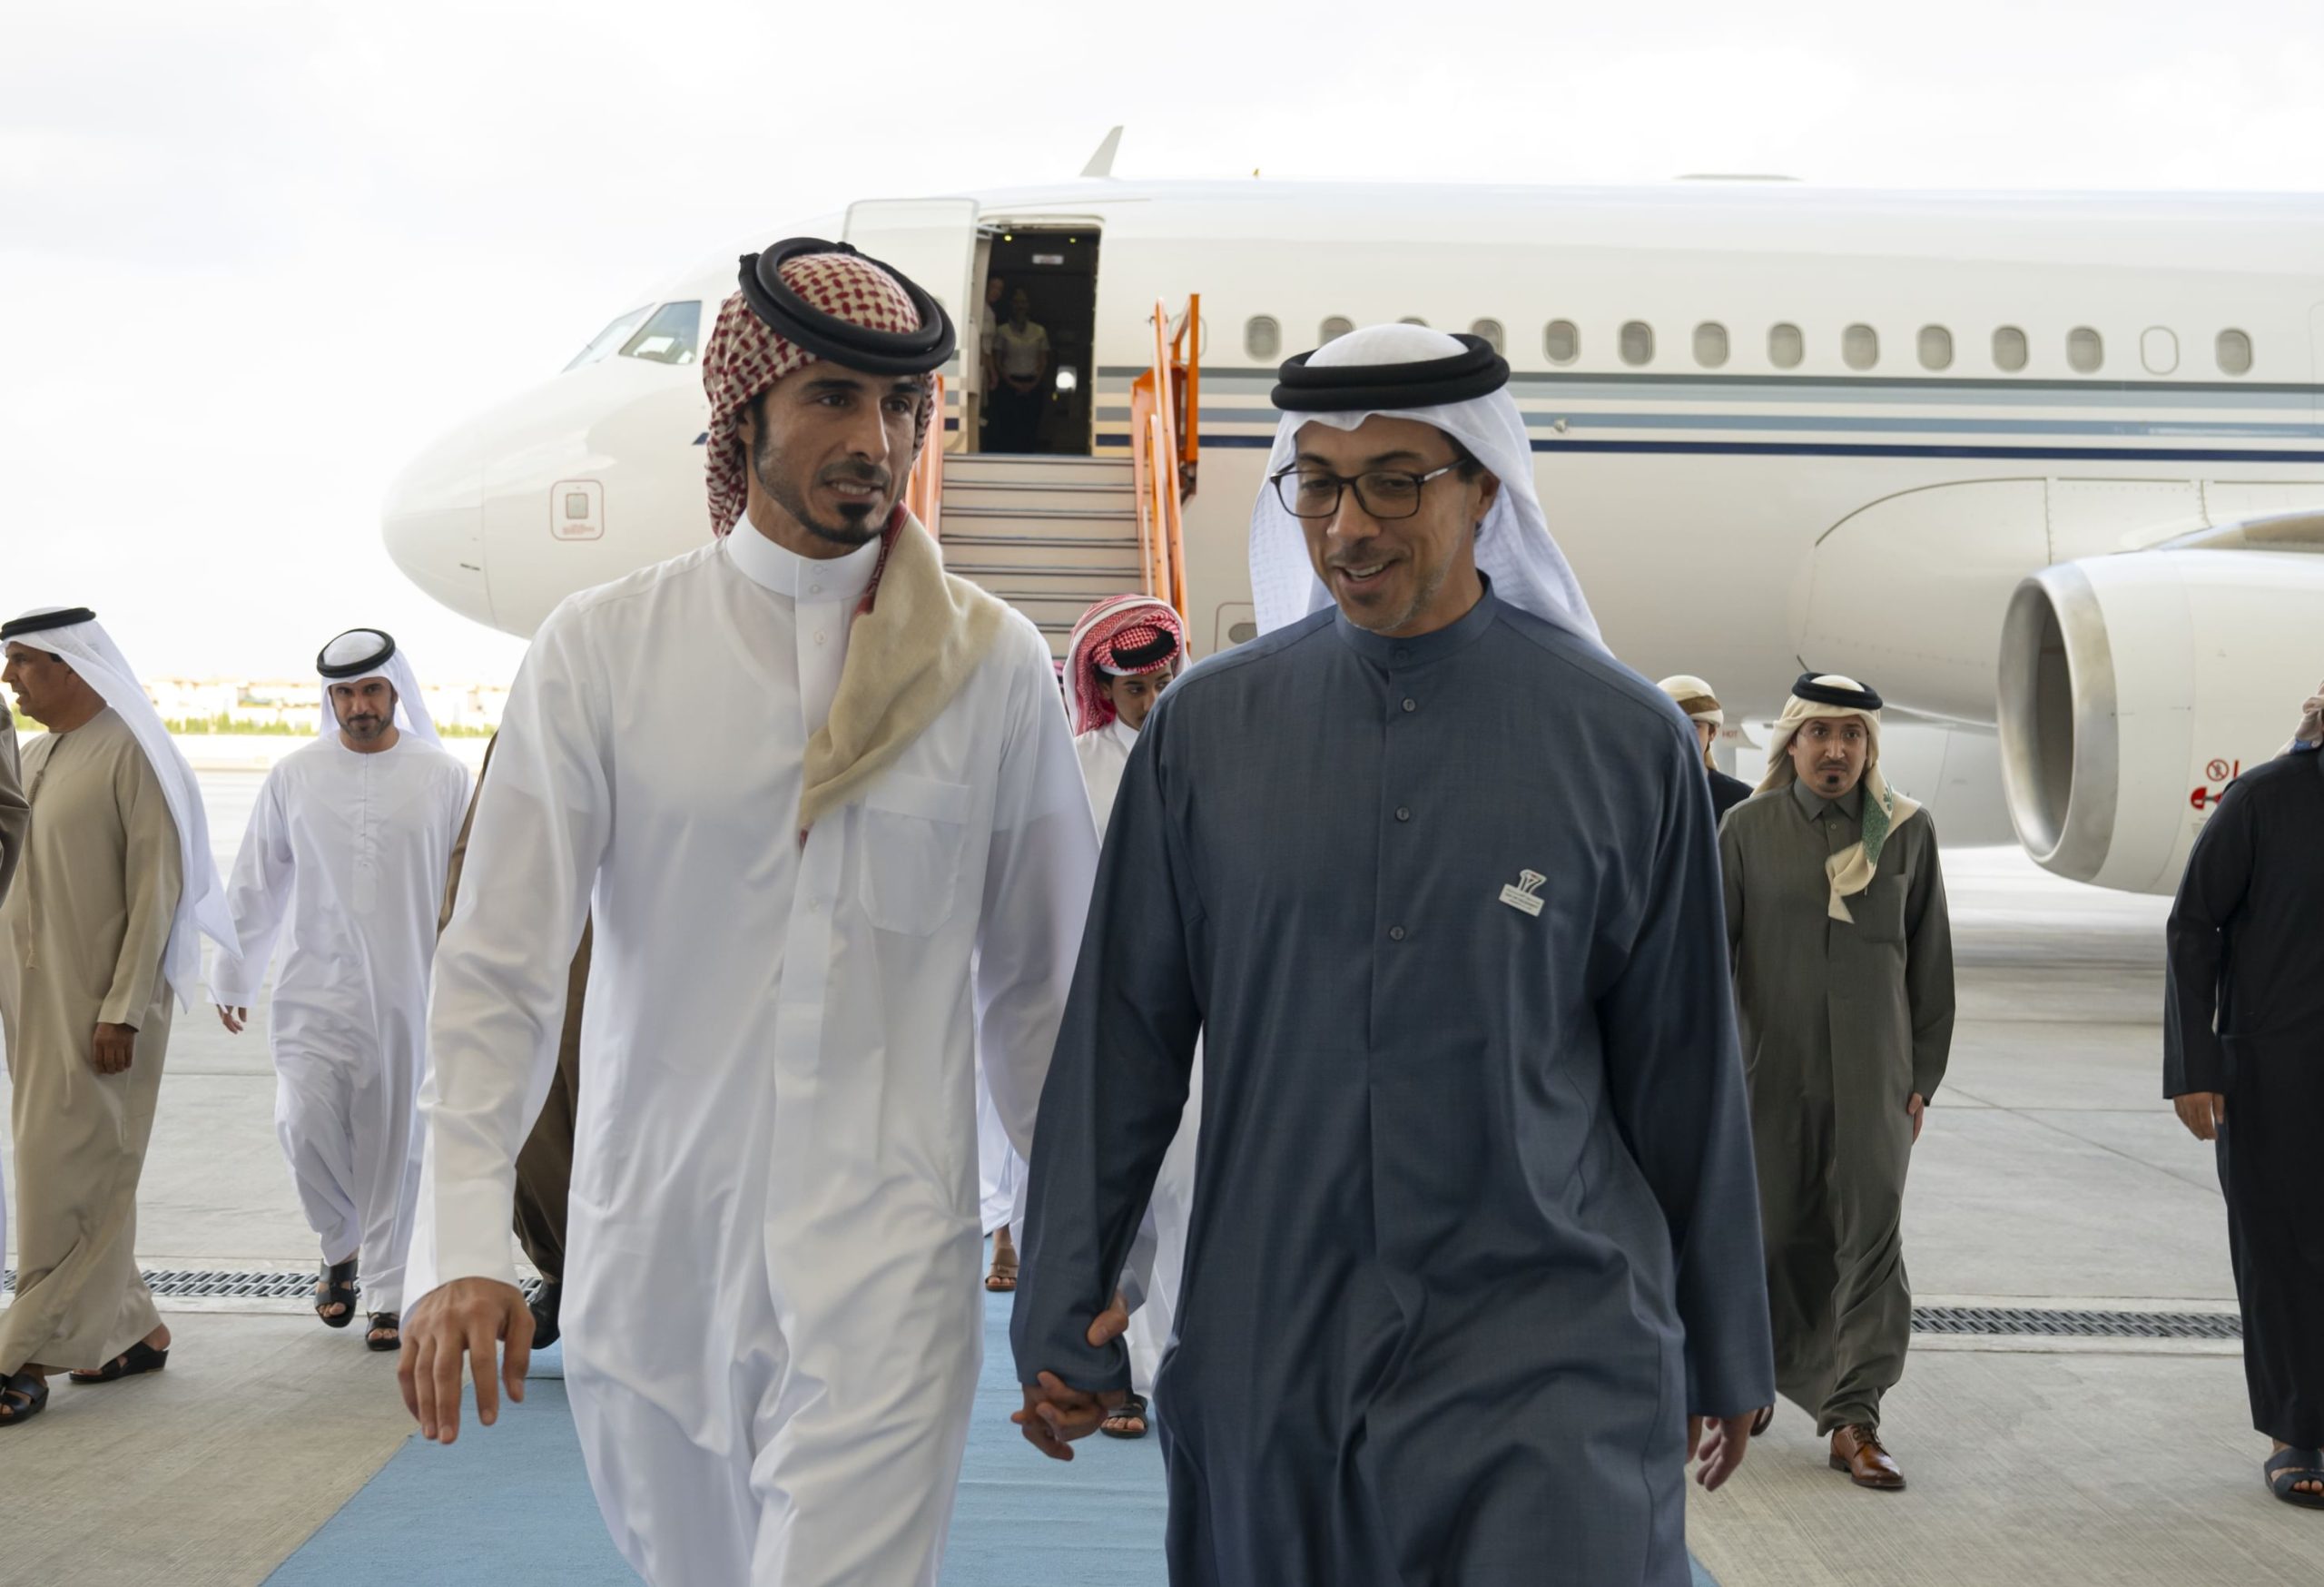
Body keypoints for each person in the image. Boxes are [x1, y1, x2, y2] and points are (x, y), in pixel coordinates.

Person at [1010, 324, 1773, 1584]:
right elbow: (1120, 1046)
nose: (1350, 527)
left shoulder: (1624, 741)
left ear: (1485, 490)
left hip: (1551, 1350)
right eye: (1317, 484)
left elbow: (1685, 1068)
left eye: (1396, 482)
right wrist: (1064, 1297)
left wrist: (1728, 1336)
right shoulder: (1207, 733)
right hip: (1272, 1347)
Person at [397, 240, 1098, 1586]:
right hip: (654, 1265)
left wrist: (1083, 1249)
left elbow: (1041, 995)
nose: (874, 440)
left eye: (901, 406)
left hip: (891, 1270)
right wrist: (464, 1239)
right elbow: (499, 970)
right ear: (744, 412)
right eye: (833, 398)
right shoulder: (602, 651)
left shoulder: (993, 667)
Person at [0, 606, 236, 1428]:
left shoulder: (134, 752)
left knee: (69, 1187)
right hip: (33, 1006)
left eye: (23, 662)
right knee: (67, 1174)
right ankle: (135, 1329)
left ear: (71, 665)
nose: (10, 678)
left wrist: (124, 1011)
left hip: (104, 1015)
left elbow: (157, 891)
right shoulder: (36, 755)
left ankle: (23, 1353)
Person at [1718, 673, 1954, 1490]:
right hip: (1770, 1072)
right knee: (1778, 1235)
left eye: (1853, 736)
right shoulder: (1745, 830)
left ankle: (1855, 1417)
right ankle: (1761, 1371)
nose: (1836, 750)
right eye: (1820, 733)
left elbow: (1930, 963)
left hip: (1877, 1078)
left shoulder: (1906, 831)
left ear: (1869, 749)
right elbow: (1708, 959)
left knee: (1871, 1241)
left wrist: (1922, 1076)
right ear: (1792, 743)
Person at [208, 630, 472, 1353]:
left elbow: (471, 887)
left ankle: (388, 1294)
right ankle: (340, 1246)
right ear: (330, 699)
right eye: (346, 694)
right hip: (311, 988)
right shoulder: (294, 774)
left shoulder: (445, 776)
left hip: (408, 991)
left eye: (371, 691)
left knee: (396, 1145)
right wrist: (234, 972)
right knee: (302, 1126)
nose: (359, 706)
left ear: (395, 691)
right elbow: (257, 879)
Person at [2165, 682, 2324, 1509]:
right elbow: (2194, 925)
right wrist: (2196, 1065)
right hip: (2273, 1069)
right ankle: (2298, 1430)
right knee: (2281, 1250)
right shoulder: (2263, 798)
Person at [1059, 591, 1190, 1440]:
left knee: (1187, 1186)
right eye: (1135, 688)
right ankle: (1118, 1370)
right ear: (1104, 689)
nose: (1153, 700)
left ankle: (1174, 1362)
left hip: (1198, 1009)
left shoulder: (1214, 752)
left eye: (1165, 681)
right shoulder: (1075, 767)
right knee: (1122, 1190)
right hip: (1104, 1007)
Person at [436, 732, 589, 1348]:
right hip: (552, 958)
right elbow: (477, 852)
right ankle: (560, 1271)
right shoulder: (535, 721)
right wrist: (452, 950)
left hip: (657, 968)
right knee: (538, 1129)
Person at [1659, 674, 1753, 820]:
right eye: (1669, 725)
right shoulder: (1634, 796)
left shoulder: (1741, 802)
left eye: (1694, 725)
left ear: (1712, 732)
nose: (1681, 734)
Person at [988, 288, 1049, 453]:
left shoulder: (1039, 331)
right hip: (1009, 384)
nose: (1020, 306)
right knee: (1008, 426)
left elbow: (1043, 361)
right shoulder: (1002, 331)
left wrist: (1033, 384)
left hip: (1033, 384)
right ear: (1011, 305)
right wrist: (1012, 383)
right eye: (1016, 302)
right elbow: (997, 360)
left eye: (1023, 302)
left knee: (1030, 426)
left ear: (1028, 305)